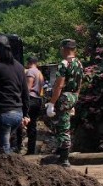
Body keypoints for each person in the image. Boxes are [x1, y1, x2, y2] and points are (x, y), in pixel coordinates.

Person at [46, 39, 84, 167]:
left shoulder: (64, 63)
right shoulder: (79, 64)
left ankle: (64, 159)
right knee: (65, 125)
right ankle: (62, 154)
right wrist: (74, 101)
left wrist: (52, 103)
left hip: (64, 97)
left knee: (62, 127)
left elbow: (59, 85)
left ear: (63, 49)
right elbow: (79, 84)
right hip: (73, 96)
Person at [14, 56, 44, 155]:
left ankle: (17, 146)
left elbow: (27, 88)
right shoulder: (40, 73)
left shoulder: (31, 72)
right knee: (32, 125)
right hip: (38, 100)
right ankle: (31, 150)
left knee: (20, 121)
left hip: (30, 99)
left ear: (29, 62)